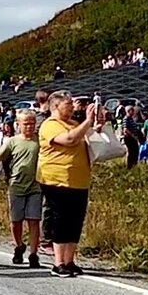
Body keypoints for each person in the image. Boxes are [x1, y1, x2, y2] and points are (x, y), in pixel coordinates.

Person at [37, 90, 99, 278]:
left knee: (75, 220)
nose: (72, 108)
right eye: (68, 105)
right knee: (61, 219)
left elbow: (86, 136)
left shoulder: (73, 124)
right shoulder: (50, 125)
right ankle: (58, 262)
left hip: (79, 179)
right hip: (57, 179)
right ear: (55, 106)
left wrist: (96, 124)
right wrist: (87, 122)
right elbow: (70, 139)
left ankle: (70, 260)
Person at [0, 109, 42, 268]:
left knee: (34, 220)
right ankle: (18, 245)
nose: (29, 127)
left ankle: (33, 254)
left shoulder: (39, 141)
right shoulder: (11, 142)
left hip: (35, 186)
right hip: (16, 185)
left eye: (32, 123)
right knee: (16, 220)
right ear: (18, 125)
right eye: (26, 124)